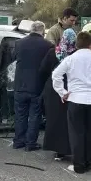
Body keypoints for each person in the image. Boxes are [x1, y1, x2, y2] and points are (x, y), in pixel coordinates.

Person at [52, 32, 91, 174]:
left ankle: (79, 165)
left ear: (76, 45)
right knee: (90, 134)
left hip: (75, 100)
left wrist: (62, 92)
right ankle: (88, 163)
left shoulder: (70, 59)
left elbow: (56, 75)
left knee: (77, 134)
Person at [13, 20, 53, 151]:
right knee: (35, 115)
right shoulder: (48, 45)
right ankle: (30, 143)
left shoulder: (18, 43)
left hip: (20, 85)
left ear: (31, 29)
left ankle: (18, 141)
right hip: (37, 86)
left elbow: (14, 58)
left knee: (20, 115)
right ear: (43, 31)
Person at [40, 28, 77, 161]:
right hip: (71, 89)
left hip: (53, 89)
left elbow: (43, 69)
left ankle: (58, 150)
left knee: (54, 119)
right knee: (70, 120)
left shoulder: (53, 52)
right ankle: (71, 147)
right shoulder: (76, 54)